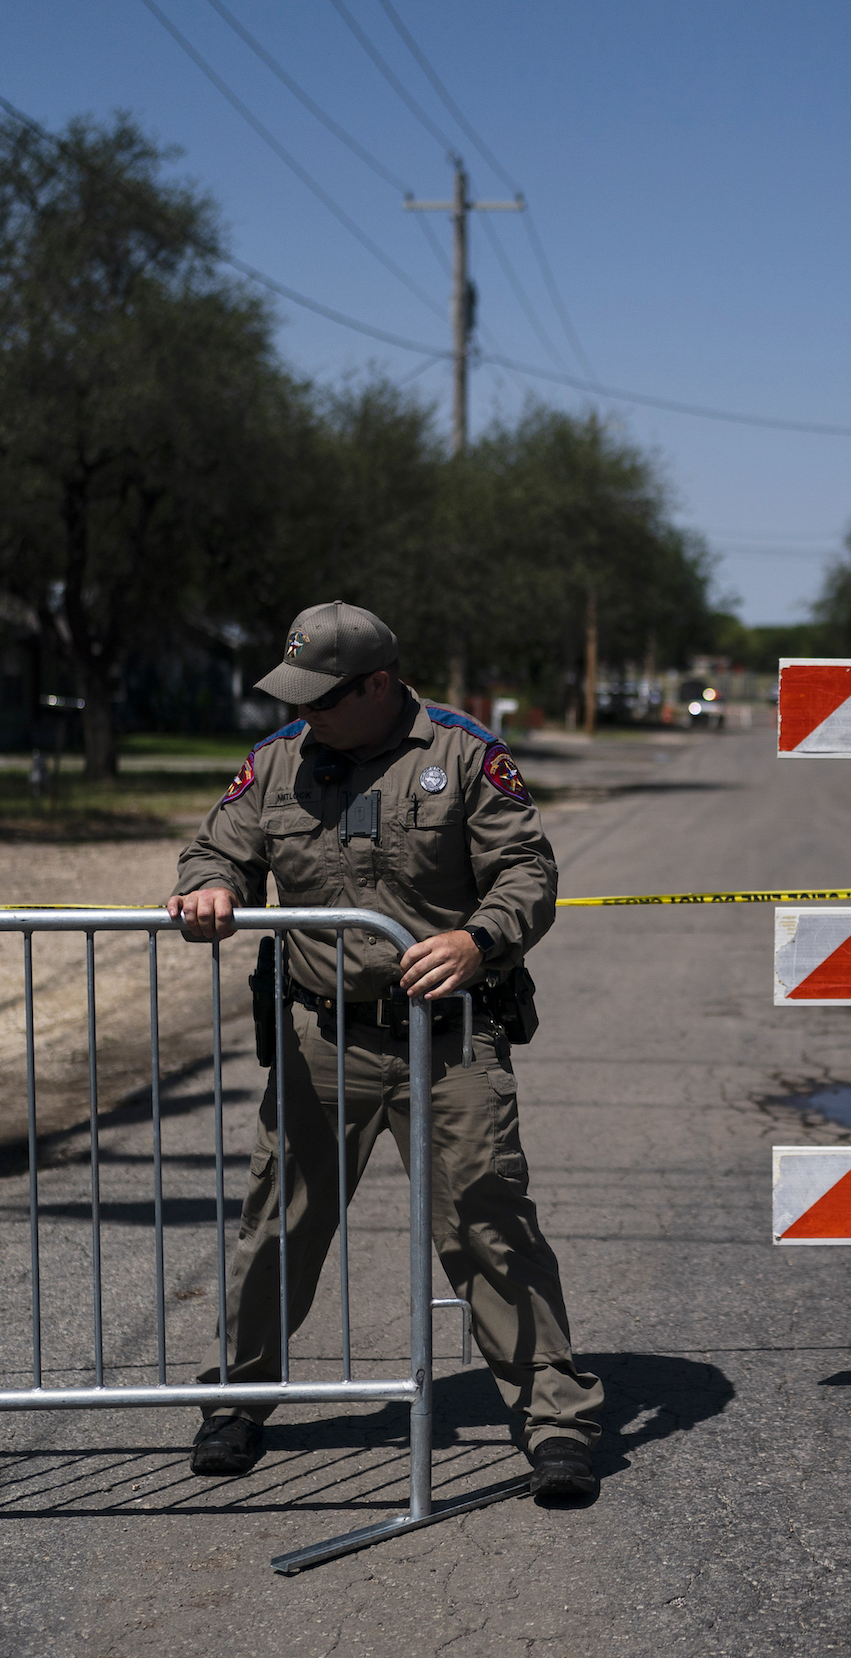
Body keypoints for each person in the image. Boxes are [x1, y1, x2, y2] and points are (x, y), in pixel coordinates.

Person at [165, 601, 604, 1499]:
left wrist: (479, 939)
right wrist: (209, 888)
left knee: (488, 1222)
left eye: (324, 697)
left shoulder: (464, 754)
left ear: (377, 684)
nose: (307, 713)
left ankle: (554, 1417)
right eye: (297, 696)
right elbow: (218, 847)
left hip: (446, 1037)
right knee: (278, 1225)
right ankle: (239, 1399)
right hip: (323, 1036)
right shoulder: (280, 759)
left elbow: (529, 871)